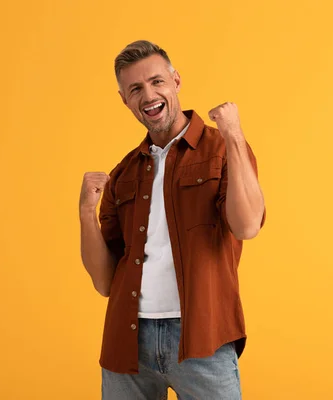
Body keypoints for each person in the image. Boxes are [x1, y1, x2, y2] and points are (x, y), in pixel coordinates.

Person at [79, 40, 266, 400]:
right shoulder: (124, 172)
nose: (148, 95)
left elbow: (247, 226)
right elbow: (104, 282)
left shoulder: (223, 148)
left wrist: (234, 135)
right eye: (135, 89)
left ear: (176, 80)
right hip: (127, 342)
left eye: (156, 81)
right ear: (124, 99)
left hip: (204, 337)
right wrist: (86, 212)